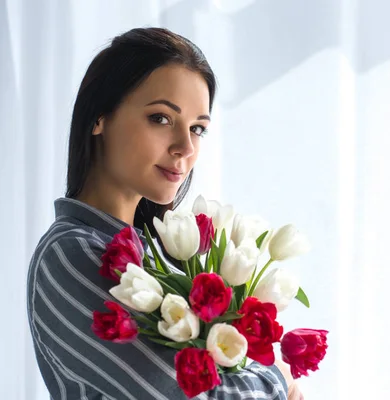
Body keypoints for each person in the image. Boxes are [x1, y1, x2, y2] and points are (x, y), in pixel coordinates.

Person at [26, 27, 303, 399]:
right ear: (100, 118)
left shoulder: (153, 256)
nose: (185, 147)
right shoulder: (71, 255)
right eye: (160, 118)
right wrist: (278, 379)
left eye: (198, 129)